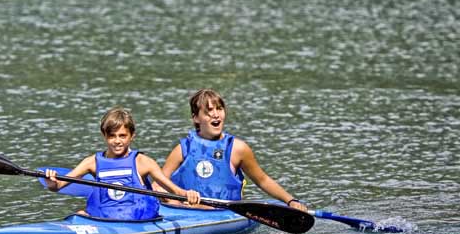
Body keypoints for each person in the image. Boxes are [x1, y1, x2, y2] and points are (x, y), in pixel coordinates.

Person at [158, 88, 308, 212]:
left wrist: (290, 200)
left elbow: (262, 180)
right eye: (208, 111)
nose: (216, 114)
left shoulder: (238, 149)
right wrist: (173, 200)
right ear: (196, 118)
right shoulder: (182, 149)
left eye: (219, 109)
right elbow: (158, 185)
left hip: (224, 215)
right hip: (185, 214)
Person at [44, 107, 200, 220]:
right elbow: (58, 186)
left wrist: (188, 195)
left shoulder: (143, 162)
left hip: (138, 223)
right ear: (104, 135)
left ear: (132, 136)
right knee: (79, 215)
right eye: (112, 136)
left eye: (122, 136)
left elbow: (173, 190)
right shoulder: (91, 162)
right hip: (103, 221)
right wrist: (52, 182)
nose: (117, 141)